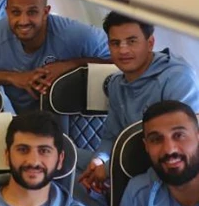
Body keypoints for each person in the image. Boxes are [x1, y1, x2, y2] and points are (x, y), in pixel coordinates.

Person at [79, 12, 199, 194]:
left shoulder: (177, 78)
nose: (123, 50)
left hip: (168, 168)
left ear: (150, 43)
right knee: (63, 155)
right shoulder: (116, 84)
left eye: (131, 41)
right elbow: (111, 137)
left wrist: (110, 168)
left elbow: (176, 146)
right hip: (126, 164)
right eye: (115, 43)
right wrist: (99, 161)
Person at [0, 0, 110, 113]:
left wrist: (71, 65)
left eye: (32, 12)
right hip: (21, 119)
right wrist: (13, 77)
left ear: (45, 12)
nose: (23, 21)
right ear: (7, 12)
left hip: (68, 118)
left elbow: (116, 60)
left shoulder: (74, 34)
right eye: (16, 12)